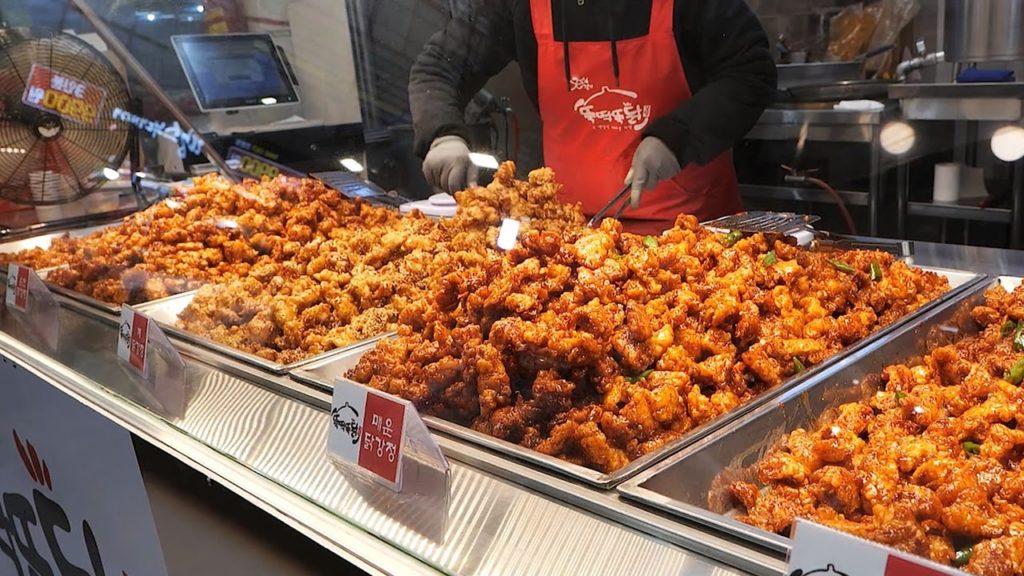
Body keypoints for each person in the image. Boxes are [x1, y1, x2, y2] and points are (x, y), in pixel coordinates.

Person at [409, 0, 777, 234]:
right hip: (573, 237)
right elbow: (440, 68)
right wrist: (442, 135)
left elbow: (751, 71)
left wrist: (676, 137)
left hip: (695, 236)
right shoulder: (518, 5)